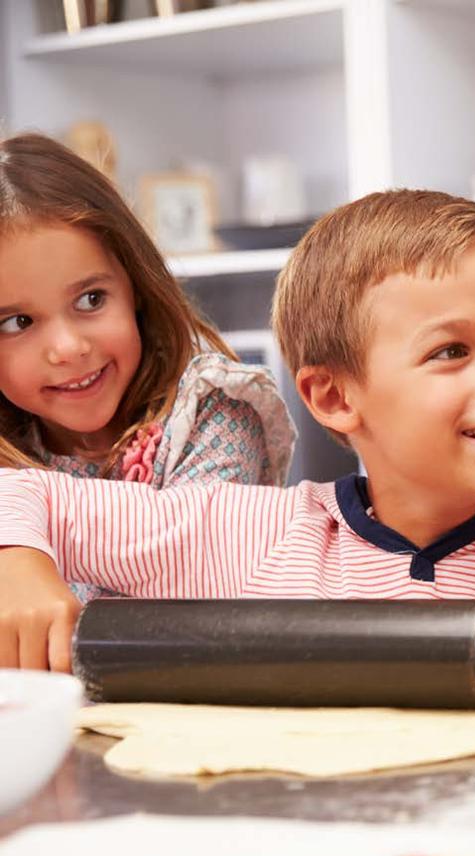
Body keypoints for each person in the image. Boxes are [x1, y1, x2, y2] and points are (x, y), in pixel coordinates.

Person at [0, 188, 475, 713]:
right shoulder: (249, 537)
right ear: (336, 399)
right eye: (452, 351)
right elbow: (21, 492)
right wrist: (19, 569)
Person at [0, 133, 296, 603]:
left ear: (135, 284)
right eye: (17, 322)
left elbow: (179, 584)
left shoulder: (212, 413)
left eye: (90, 299)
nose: (68, 348)